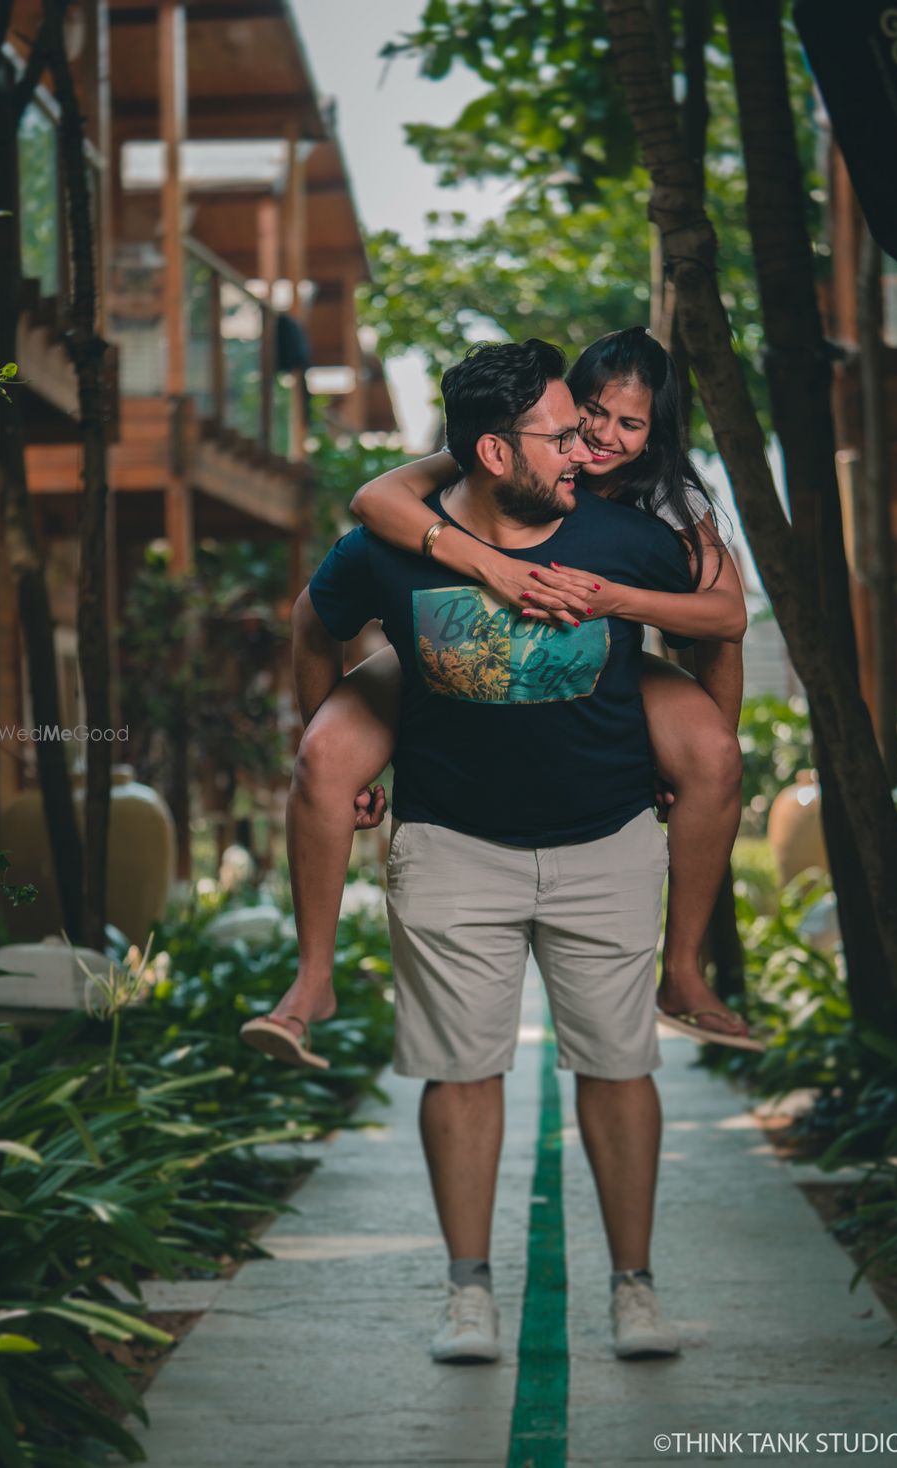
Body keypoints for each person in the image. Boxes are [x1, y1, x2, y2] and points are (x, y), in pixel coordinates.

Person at [247, 337, 708, 1361]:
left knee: (619, 1066)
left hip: (608, 840)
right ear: (495, 454)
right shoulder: (387, 548)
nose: (586, 449)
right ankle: (468, 1295)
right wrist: (329, 731)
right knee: (459, 1073)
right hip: (452, 845)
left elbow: (712, 628)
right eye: (561, 433)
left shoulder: (626, 537)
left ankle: (635, 1290)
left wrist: (692, 756)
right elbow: (311, 622)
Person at [242, 327, 757, 1074]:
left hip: (602, 649)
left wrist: (622, 620)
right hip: (448, 647)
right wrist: (488, 565)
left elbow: (727, 622)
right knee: (324, 757)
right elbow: (372, 500)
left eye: (630, 425)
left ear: (656, 433)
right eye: (587, 419)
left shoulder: (667, 506)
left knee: (712, 752)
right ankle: (311, 982)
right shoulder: (497, 445)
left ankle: (681, 970)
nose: (599, 442)